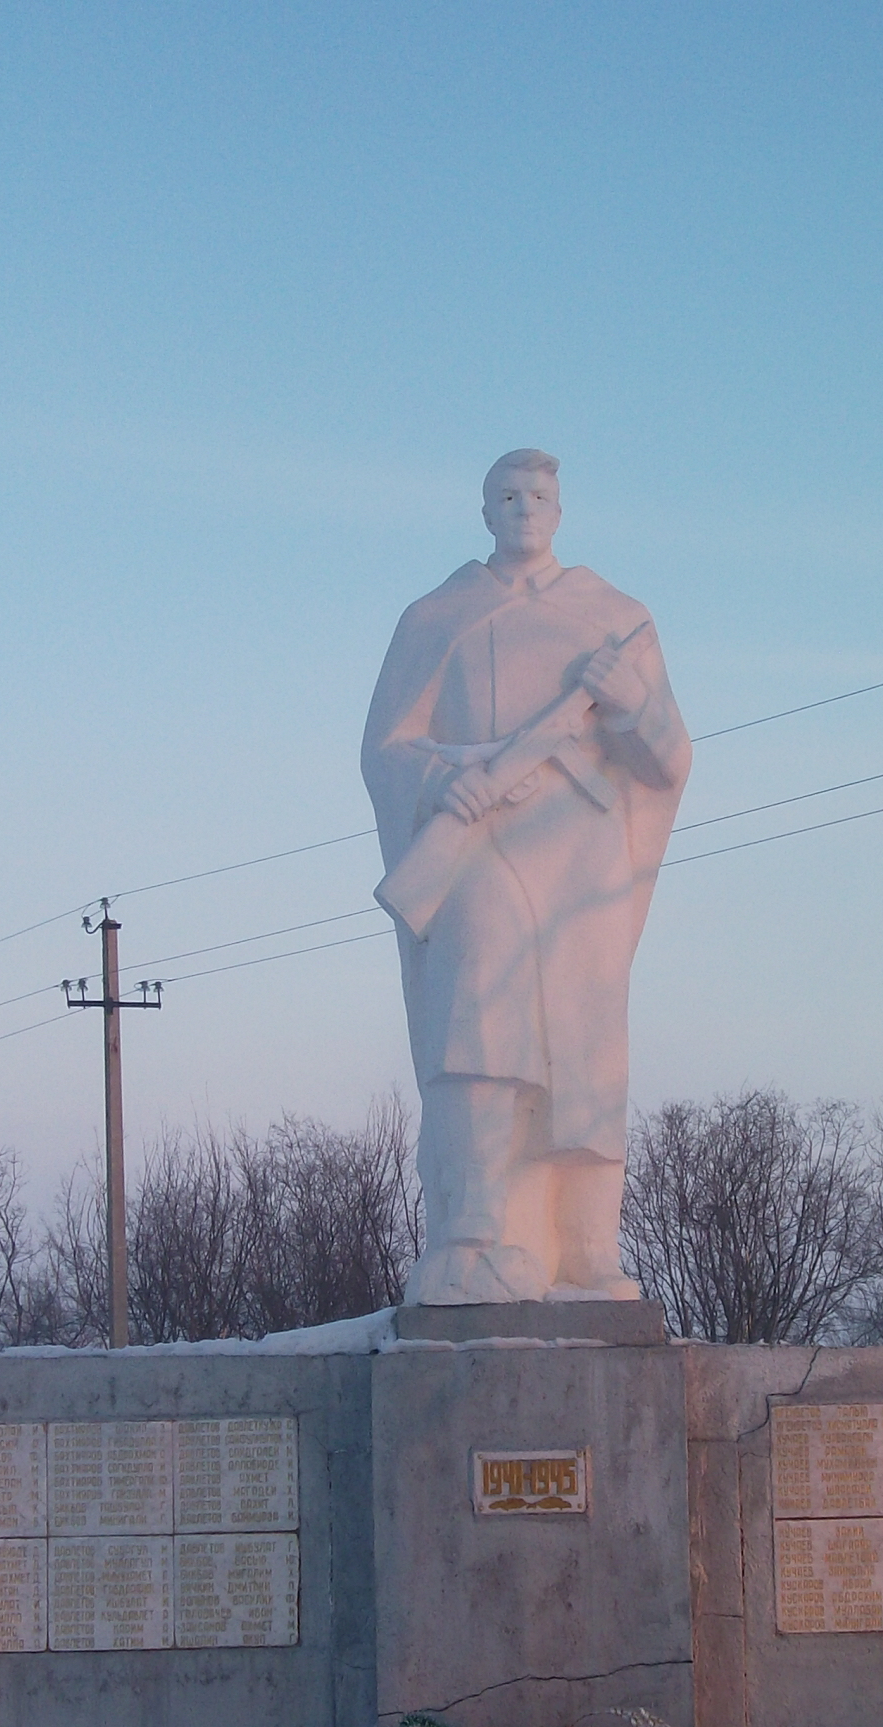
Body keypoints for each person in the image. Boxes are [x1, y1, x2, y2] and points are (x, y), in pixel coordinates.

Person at [361, 449, 691, 1304]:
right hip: (477, 847)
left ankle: (586, 1248)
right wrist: (444, 780)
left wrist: (632, 702)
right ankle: (471, 1237)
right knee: (475, 1034)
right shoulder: (438, 616)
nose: (524, 509)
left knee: (586, 1048)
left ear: (560, 507)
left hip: (582, 855)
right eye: (507, 496)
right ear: (484, 512)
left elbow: (667, 762)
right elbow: (386, 746)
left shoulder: (615, 617)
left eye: (538, 495)